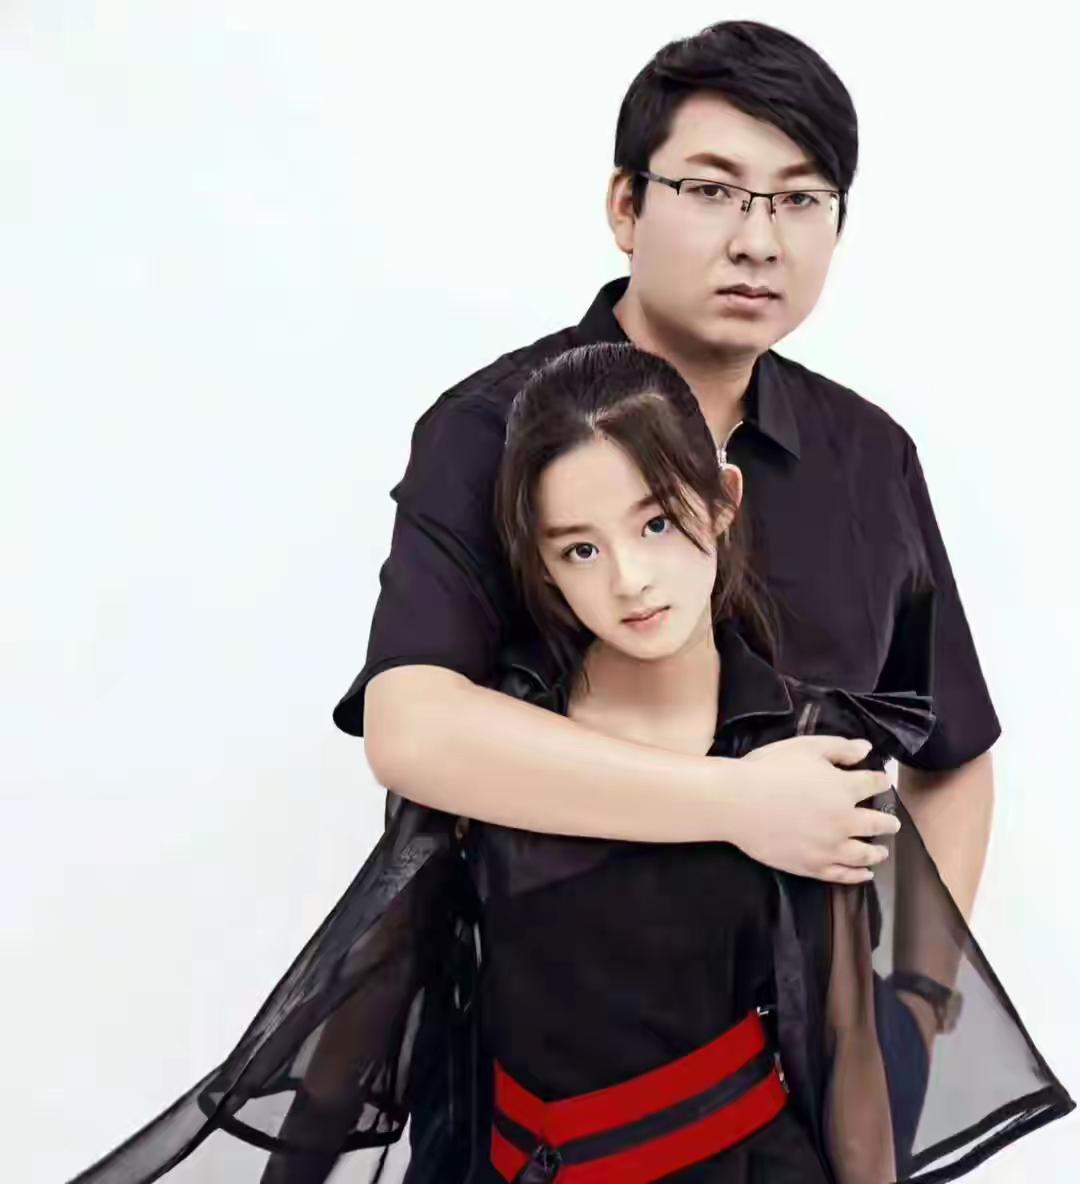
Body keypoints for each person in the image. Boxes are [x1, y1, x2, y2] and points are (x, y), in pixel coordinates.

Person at [65, 344, 1072, 1184]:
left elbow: (850, 1050)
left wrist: (916, 1013)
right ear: (540, 565)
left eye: (656, 522)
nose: (630, 578)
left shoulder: (806, 751)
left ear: (722, 500)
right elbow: (381, 982)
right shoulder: (497, 744)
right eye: (579, 550)